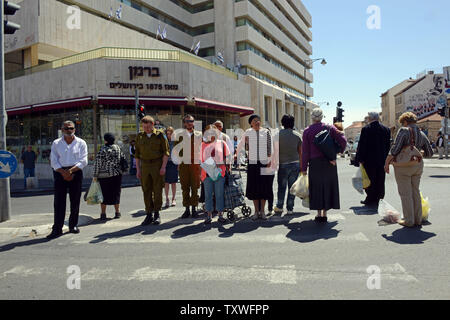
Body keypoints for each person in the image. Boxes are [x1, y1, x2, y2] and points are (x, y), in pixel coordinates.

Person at [384, 112, 433, 228]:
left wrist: (387, 163)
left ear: (405, 121)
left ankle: (409, 220)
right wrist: (418, 153)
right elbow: (429, 152)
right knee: (415, 191)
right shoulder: (421, 133)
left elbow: (395, 149)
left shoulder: (404, 131)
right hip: (418, 166)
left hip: (403, 167)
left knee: (405, 193)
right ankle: (418, 219)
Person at [301, 108, 347, 222]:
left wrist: (303, 168)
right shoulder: (330, 128)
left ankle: (318, 214)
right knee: (327, 186)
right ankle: (325, 213)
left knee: (316, 188)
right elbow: (343, 141)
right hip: (329, 161)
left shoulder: (307, 131)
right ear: (322, 117)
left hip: (314, 163)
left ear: (312, 117)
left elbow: (305, 152)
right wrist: (337, 152)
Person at [47, 121, 88, 239]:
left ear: (74, 129)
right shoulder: (56, 143)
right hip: (60, 173)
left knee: (75, 200)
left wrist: (70, 171)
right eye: (66, 128)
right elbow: (53, 160)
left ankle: (73, 225)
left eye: (71, 128)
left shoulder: (81, 143)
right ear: (62, 129)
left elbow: (84, 160)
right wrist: (63, 172)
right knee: (59, 202)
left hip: (76, 172)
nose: (69, 130)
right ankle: (57, 228)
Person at [135, 116, 169, 226]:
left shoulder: (160, 135)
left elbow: (166, 152)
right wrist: (138, 170)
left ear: (153, 125)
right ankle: (148, 214)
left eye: (148, 127)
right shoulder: (140, 136)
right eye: (144, 127)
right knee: (146, 190)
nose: (146, 129)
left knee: (157, 190)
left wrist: (163, 167)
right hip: (144, 165)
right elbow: (137, 155)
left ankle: (157, 214)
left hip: (157, 164)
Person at [237, 114, 273, 220]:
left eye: (258, 120)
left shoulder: (266, 132)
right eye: (254, 121)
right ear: (251, 123)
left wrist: (269, 161)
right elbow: (241, 145)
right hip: (252, 163)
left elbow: (269, 148)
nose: (257, 122)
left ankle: (263, 211)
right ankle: (256, 212)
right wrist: (237, 155)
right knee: (254, 188)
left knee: (264, 187)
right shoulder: (248, 132)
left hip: (264, 162)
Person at [355, 112, 391, 207]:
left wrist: (359, 159)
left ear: (370, 119)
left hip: (369, 160)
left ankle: (370, 198)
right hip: (382, 159)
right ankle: (379, 198)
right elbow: (388, 146)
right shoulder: (386, 130)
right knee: (380, 179)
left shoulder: (366, 129)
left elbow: (362, 145)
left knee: (370, 179)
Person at [201, 125, 231, 224]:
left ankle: (220, 215)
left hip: (219, 173)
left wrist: (222, 163)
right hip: (207, 174)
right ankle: (208, 216)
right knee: (208, 196)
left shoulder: (222, 143)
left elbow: (228, 157)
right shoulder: (202, 145)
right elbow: (200, 160)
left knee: (219, 195)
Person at [273, 114, 302, 216]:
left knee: (281, 187)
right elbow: (300, 152)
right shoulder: (298, 135)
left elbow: (275, 152)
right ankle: (290, 209)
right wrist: (302, 166)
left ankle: (279, 207)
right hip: (295, 164)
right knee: (292, 188)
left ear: (282, 123)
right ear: (293, 123)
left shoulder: (277, 135)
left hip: (283, 164)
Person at [93, 133, 127, 220]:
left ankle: (103, 213)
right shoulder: (117, 148)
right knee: (116, 193)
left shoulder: (102, 150)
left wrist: (95, 175)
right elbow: (122, 159)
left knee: (104, 194)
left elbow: (97, 164)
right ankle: (117, 212)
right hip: (116, 175)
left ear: (106, 140)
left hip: (104, 176)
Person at [174, 114, 202, 219]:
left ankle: (194, 208)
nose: (190, 123)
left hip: (195, 165)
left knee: (195, 187)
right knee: (185, 187)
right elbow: (176, 150)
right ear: (184, 123)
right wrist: (178, 163)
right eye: (188, 121)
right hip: (183, 165)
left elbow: (202, 149)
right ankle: (186, 209)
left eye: (191, 121)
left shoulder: (199, 135)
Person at [164, 127, 178, 207]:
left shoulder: (176, 142)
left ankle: (173, 198)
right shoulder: (164, 141)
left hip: (174, 163)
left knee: (173, 182)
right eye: (167, 133)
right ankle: (167, 199)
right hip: (166, 163)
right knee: (166, 182)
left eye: (170, 133)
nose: (169, 135)